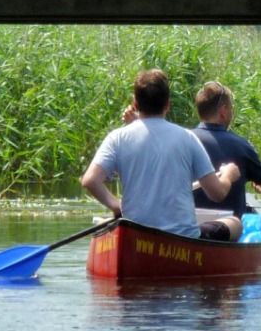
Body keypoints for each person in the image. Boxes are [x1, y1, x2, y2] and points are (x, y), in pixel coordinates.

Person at [81, 69, 241, 239]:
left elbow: (90, 180)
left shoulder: (117, 138)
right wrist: (228, 176)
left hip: (135, 236)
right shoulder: (188, 138)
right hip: (182, 239)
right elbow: (217, 194)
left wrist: (116, 206)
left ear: (135, 103)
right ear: (168, 104)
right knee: (235, 223)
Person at [189, 80, 261, 232]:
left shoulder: (184, 140)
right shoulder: (241, 145)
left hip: (187, 227)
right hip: (227, 232)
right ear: (223, 111)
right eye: (231, 108)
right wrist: (260, 186)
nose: (231, 112)